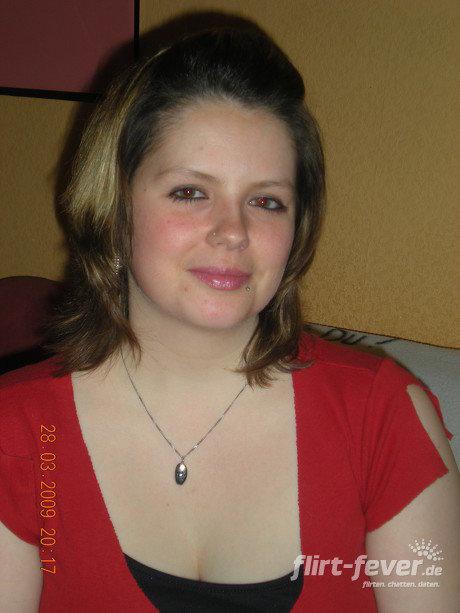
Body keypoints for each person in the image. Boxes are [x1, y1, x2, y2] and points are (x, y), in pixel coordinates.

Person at [0, 26, 458, 613]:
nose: (234, 232)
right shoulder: (17, 434)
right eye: (191, 192)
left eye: (267, 201)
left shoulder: (383, 418)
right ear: (116, 204)